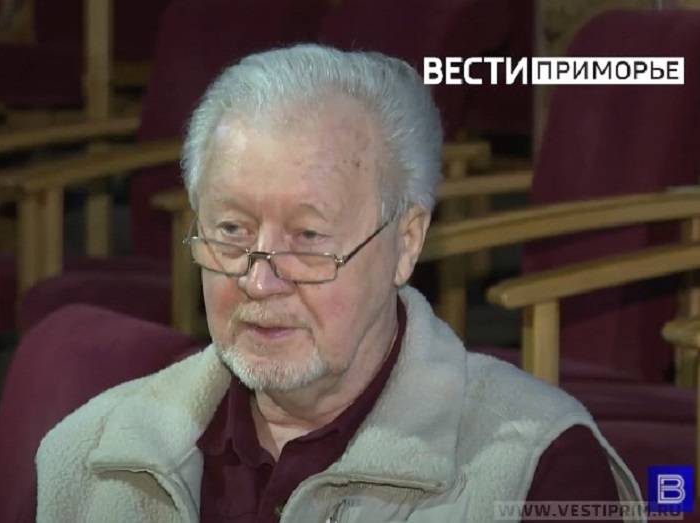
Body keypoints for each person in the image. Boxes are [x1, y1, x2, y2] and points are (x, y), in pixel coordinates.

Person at [36, 44, 642, 522]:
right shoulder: (92, 456)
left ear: (406, 242)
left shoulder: (534, 471)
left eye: (308, 237)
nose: (260, 281)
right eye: (231, 231)